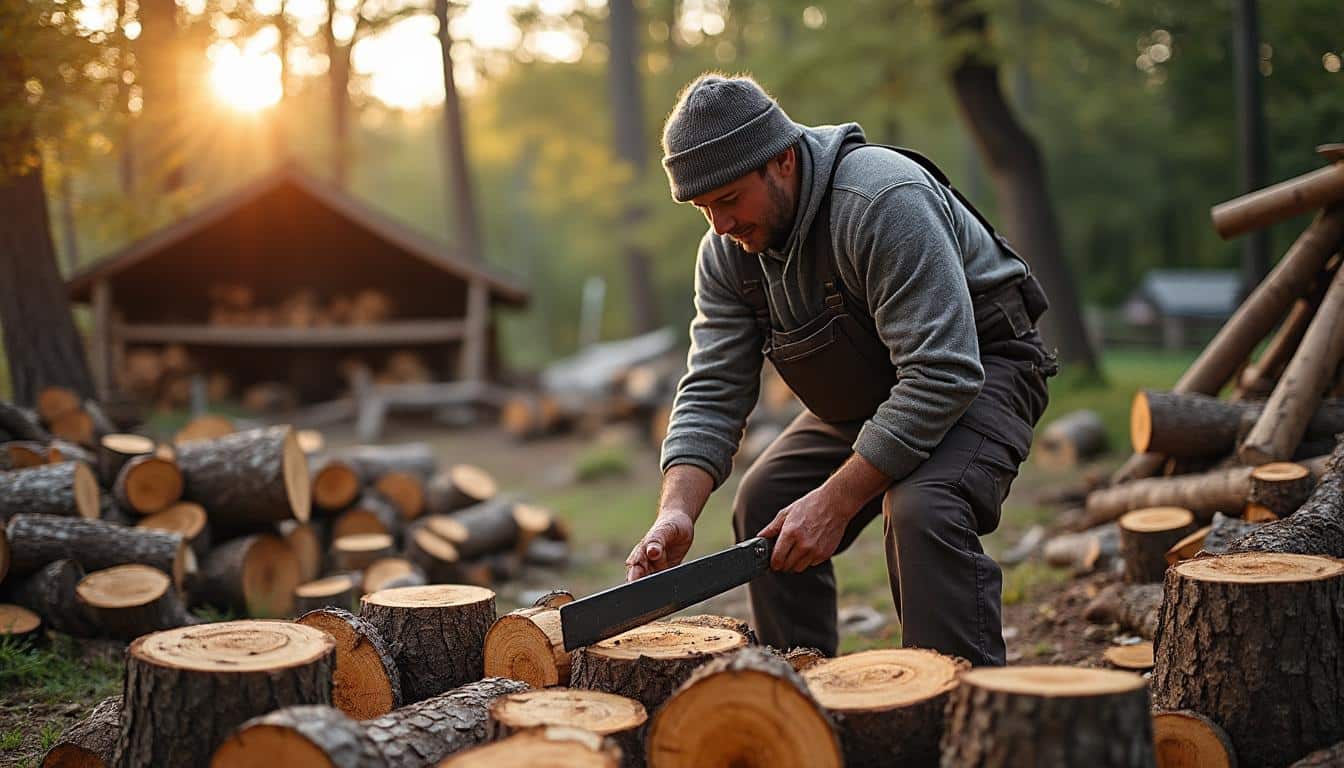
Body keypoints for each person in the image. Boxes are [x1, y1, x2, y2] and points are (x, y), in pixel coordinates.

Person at [624, 74, 1057, 666]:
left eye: (728, 200)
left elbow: (943, 374)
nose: (719, 226)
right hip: (874, 396)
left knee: (922, 508)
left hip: (981, 371)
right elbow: (712, 389)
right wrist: (675, 509)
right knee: (766, 502)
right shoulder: (727, 253)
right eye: (703, 209)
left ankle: (958, 708)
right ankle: (801, 692)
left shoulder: (882, 201)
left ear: (780, 160)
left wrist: (833, 502)